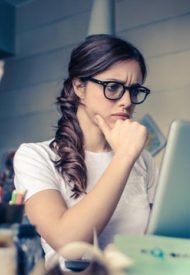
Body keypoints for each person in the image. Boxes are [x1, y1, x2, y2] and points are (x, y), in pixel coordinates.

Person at [13, 34, 158, 267]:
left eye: (134, 90)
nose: (127, 101)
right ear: (79, 86)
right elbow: (69, 244)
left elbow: (155, 244)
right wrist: (124, 156)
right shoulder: (34, 156)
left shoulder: (144, 161)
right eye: (113, 87)